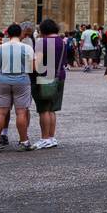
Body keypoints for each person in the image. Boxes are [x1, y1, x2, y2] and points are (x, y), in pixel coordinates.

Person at [0, 24, 34, 151]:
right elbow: (33, 68)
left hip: (3, 80)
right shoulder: (27, 48)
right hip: (21, 80)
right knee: (21, 112)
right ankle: (24, 142)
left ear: (7, 34)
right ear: (20, 34)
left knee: (0, 113)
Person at [32, 18, 67, 150]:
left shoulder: (43, 42)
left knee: (44, 109)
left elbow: (37, 65)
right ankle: (51, 137)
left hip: (45, 77)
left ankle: (44, 138)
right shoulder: (62, 41)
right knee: (52, 109)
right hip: (59, 76)